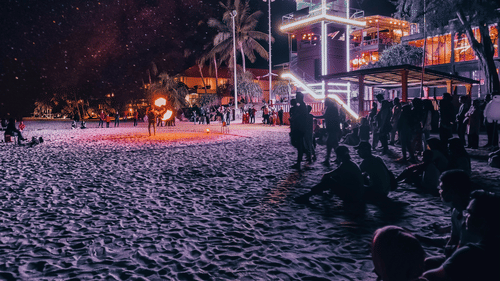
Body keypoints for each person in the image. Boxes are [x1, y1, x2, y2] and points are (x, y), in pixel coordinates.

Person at [423, 190, 500, 281]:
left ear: (483, 221)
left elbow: (428, 277)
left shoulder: (470, 253)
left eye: (470, 213)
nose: (466, 216)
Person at [294, 146, 364, 213]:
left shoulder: (345, 165)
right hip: (358, 195)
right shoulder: (352, 163)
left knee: (329, 181)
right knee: (335, 178)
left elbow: (326, 175)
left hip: (352, 197)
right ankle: (324, 193)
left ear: (339, 156)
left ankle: (308, 195)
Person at [315, 97, 340, 166]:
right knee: (334, 144)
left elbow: (324, 116)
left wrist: (315, 116)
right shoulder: (334, 108)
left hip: (331, 128)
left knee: (330, 144)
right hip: (334, 128)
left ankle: (328, 160)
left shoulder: (330, 108)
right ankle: (337, 158)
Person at [290, 93, 308, 169]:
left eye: (297, 97)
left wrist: (293, 119)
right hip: (299, 127)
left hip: (299, 127)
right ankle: (304, 153)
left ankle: (299, 161)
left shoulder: (302, 107)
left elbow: (299, 116)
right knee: (298, 144)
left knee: (298, 144)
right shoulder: (301, 106)